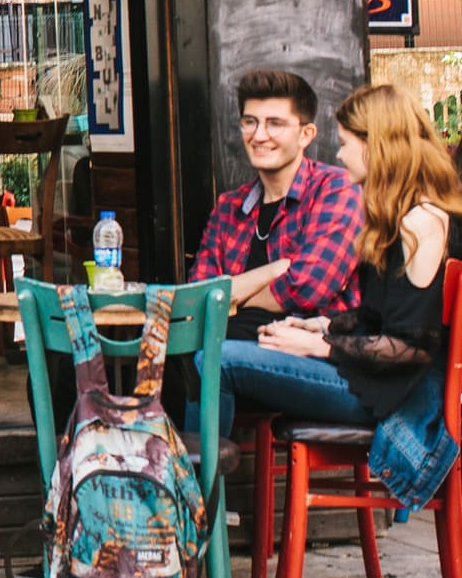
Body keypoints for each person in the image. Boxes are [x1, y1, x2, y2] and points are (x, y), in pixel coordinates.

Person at [210, 87, 462, 514]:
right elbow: (379, 318)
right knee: (214, 353)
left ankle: (196, 518)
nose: (339, 155)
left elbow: (411, 348)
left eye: (346, 143)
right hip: (372, 379)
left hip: (392, 396)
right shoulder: (395, 215)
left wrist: (319, 346)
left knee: (218, 359)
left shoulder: (421, 222)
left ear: (376, 145)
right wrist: (324, 326)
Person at [191, 69, 363, 336]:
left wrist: (230, 298)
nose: (259, 136)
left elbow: (310, 287)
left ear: (306, 134)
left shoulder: (335, 189)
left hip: (300, 346)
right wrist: (275, 270)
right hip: (224, 345)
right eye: (250, 122)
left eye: (275, 124)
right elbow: (197, 300)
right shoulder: (229, 207)